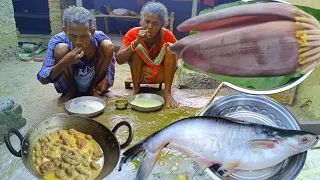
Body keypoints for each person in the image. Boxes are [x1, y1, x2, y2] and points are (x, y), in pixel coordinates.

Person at [37, 6, 116, 102]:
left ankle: (92, 90)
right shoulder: (57, 40)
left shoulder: (100, 37)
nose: (78, 41)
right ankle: (72, 91)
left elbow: (110, 65)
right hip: (66, 84)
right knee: (61, 49)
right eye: (73, 36)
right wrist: (64, 62)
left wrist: (106, 80)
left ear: (92, 32)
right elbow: (43, 78)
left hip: (94, 82)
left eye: (83, 36)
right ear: (65, 31)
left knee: (108, 46)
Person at [116, 2, 179, 109]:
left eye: (155, 24)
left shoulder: (167, 35)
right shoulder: (133, 33)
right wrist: (136, 41)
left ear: (161, 25)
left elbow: (176, 60)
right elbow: (119, 59)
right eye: (147, 22)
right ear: (142, 21)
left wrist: (157, 65)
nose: (149, 26)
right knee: (135, 49)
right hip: (141, 75)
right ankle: (136, 89)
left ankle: (167, 93)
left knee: (171, 48)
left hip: (160, 74)